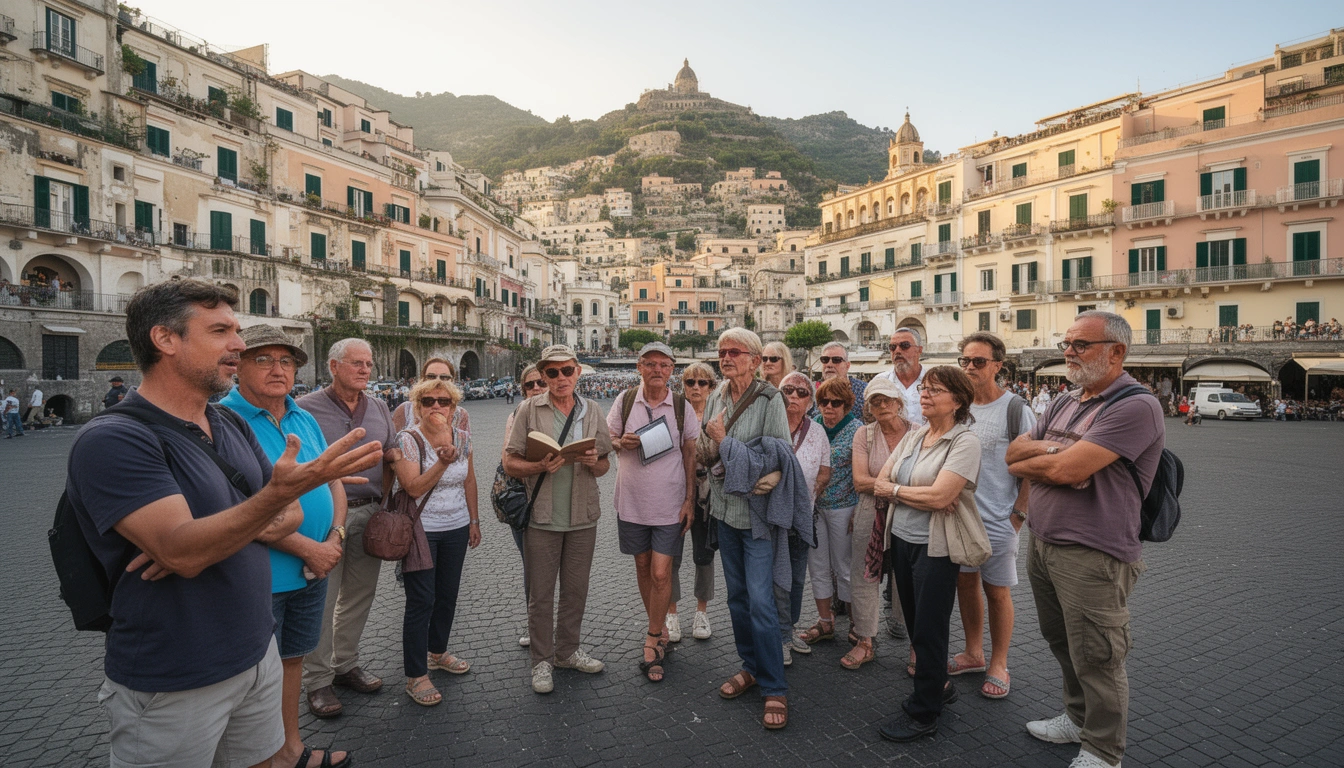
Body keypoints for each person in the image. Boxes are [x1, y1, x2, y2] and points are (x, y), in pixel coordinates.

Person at [67, 280, 380, 767]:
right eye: (221, 331)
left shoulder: (227, 425)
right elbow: (186, 551)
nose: (238, 344)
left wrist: (212, 534)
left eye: (236, 331)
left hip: (255, 656)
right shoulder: (115, 438)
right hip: (175, 675)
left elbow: (288, 515)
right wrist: (255, 509)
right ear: (165, 339)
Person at [1006, 311, 1164, 768]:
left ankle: (1103, 749)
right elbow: (1014, 457)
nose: (1068, 353)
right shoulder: (1065, 401)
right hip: (1044, 542)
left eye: (1080, 345)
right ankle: (1077, 719)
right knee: (1063, 642)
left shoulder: (1136, 405)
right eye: (1067, 344)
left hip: (1095, 553)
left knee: (1099, 653)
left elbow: (1067, 470)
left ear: (1117, 352)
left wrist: (1053, 459)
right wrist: (1055, 453)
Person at [220, 325, 351, 768]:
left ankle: (289, 749)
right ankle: (257, 758)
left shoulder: (302, 416)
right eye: (263, 359)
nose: (278, 369)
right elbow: (231, 510)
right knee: (253, 675)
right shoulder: (222, 420)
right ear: (237, 365)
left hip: (312, 572)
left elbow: (331, 481)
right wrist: (309, 549)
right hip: (263, 577)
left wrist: (334, 537)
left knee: (292, 660)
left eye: (287, 361)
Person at [873, 366, 982, 742]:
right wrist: (923, 495)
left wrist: (902, 493)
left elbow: (940, 495)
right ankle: (938, 688)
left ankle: (924, 713)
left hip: (936, 549)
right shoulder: (916, 435)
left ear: (958, 400)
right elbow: (880, 481)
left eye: (936, 390)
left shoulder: (964, 441)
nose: (926, 394)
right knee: (917, 624)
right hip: (901, 540)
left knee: (929, 629)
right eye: (925, 388)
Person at [298, 339, 399, 718]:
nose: (364, 370)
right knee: (322, 599)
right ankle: (318, 681)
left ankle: (346, 664)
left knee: (360, 594)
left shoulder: (378, 407)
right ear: (334, 366)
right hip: (324, 518)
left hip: (370, 512)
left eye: (369, 364)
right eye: (356, 363)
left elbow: (391, 452)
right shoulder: (306, 409)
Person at [504, 344, 612, 695]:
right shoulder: (528, 409)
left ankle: (567, 652)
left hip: (582, 515)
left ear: (578, 371)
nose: (560, 378)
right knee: (541, 594)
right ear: (543, 375)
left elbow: (604, 465)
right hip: (543, 515)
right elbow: (510, 462)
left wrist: (593, 461)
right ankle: (541, 661)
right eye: (552, 373)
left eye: (567, 371)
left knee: (576, 590)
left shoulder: (593, 409)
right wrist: (539, 467)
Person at [700, 328, 793, 730]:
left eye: (734, 352)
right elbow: (706, 448)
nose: (726, 358)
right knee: (737, 598)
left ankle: (775, 687)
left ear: (755, 361)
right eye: (722, 352)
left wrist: (724, 443)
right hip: (724, 511)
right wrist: (710, 446)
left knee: (761, 602)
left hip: (755, 516)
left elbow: (779, 458)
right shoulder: (716, 397)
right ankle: (750, 666)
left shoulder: (772, 399)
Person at [949, 333, 1034, 700]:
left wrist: (1018, 516)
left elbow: (1030, 467)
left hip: (999, 519)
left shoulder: (1016, 409)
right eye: (965, 361)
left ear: (998, 366)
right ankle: (973, 652)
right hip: (960, 518)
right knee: (965, 586)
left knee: (997, 592)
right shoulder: (958, 407)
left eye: (979, 362)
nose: (970, 367)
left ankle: (999, 663)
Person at [607, 342, 699, 682]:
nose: (657, 370)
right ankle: (658, 629)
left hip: (670, 504)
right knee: (643, 566)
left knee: (662, 573)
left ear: (672, 370)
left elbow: (690, 452)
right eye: (650, 364)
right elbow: (607, 438)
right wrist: (620, 443)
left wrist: (690, 499)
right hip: (631, 502)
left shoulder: (680, 405)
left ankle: (651, 639)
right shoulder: (625, 400)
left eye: (663, 365)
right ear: (639, 367)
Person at [393, 377, 480, 706]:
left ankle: (438, 651)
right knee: (421, 600)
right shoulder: (408, 440)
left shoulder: (464, 437)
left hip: (457, 525)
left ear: (454, 407)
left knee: (447, 595)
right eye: (427, 401)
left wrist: (474, 520)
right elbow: (413, 488)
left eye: (443, 401)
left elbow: (469, 479)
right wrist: (443, 462)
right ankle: (415, 675)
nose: (436, 407)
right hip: (421, 530)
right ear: (417, 406)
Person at [847, 377, 911, 671]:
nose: (882, 405)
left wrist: (887, 488)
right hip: (871, 511)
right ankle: (865, 640)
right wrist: (902, 489)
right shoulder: (865, 434)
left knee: (910, 577)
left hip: (911, 515)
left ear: (899, 403)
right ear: (868, 407)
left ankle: (916, 643)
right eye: (875, 401)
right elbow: (860, 481)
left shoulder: (919, 434)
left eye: (887, 400)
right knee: (864, 575)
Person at [798, 377, 862, 650]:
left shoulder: (857, 430)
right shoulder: (811, 428)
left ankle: (857, 625)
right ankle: (825, 621)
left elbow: (861, 474)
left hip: (843, 507)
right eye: (824, 401)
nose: (829, 407)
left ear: (847, 405)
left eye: (836, 403)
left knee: (845, 567)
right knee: (818, 566)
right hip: (814, 507)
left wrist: (858, 510)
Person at [775, 370, 831, 666]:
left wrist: (810, 494)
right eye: (788, 390)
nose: (794, 396)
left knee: (796, 578)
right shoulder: (769, 424)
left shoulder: (817, 431)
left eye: (801, 392)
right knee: (776, 579)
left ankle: (790, 628)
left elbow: (825, 469)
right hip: (770, 519)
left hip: (802, 518)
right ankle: (780, 635)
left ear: (810, 401)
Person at [671, 361, 720, 641]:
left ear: (712, 387)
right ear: (684, 386)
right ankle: (671, 613)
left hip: (707, 495)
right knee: (670, 555)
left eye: (703, 383)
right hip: (675, 492)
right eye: (690, 382)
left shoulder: (718, 417)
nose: (696, 387)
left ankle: (702, 611)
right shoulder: (674, 414)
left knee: (704, 555)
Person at [502, 364, 547, 649]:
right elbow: (507, 461)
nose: (536, 389)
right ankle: (536, 626)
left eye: (541, 383)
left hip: (560, 502)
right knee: (532, 567)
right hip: (526, 502)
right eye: (529, 385)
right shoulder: (516, 414)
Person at [393, 357, 470, 434]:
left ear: (452, 381)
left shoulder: (461, 415)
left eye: (444, 377)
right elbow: (393, 443)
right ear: (423, 379)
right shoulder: (405, 410)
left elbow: (464, 444)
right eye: (431, 377)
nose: (438, 381)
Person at [872, 328, 928, 426]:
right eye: (892, 347)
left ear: (919, 350)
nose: (897, 351)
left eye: (904, 346)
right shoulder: (881, 382)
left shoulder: (934, 382)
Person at [815, 341, 866, 420]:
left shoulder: (864, 391)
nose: (829, 364)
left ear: (847, 365)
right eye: (825, 359)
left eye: (836, 360)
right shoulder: (809, 392)